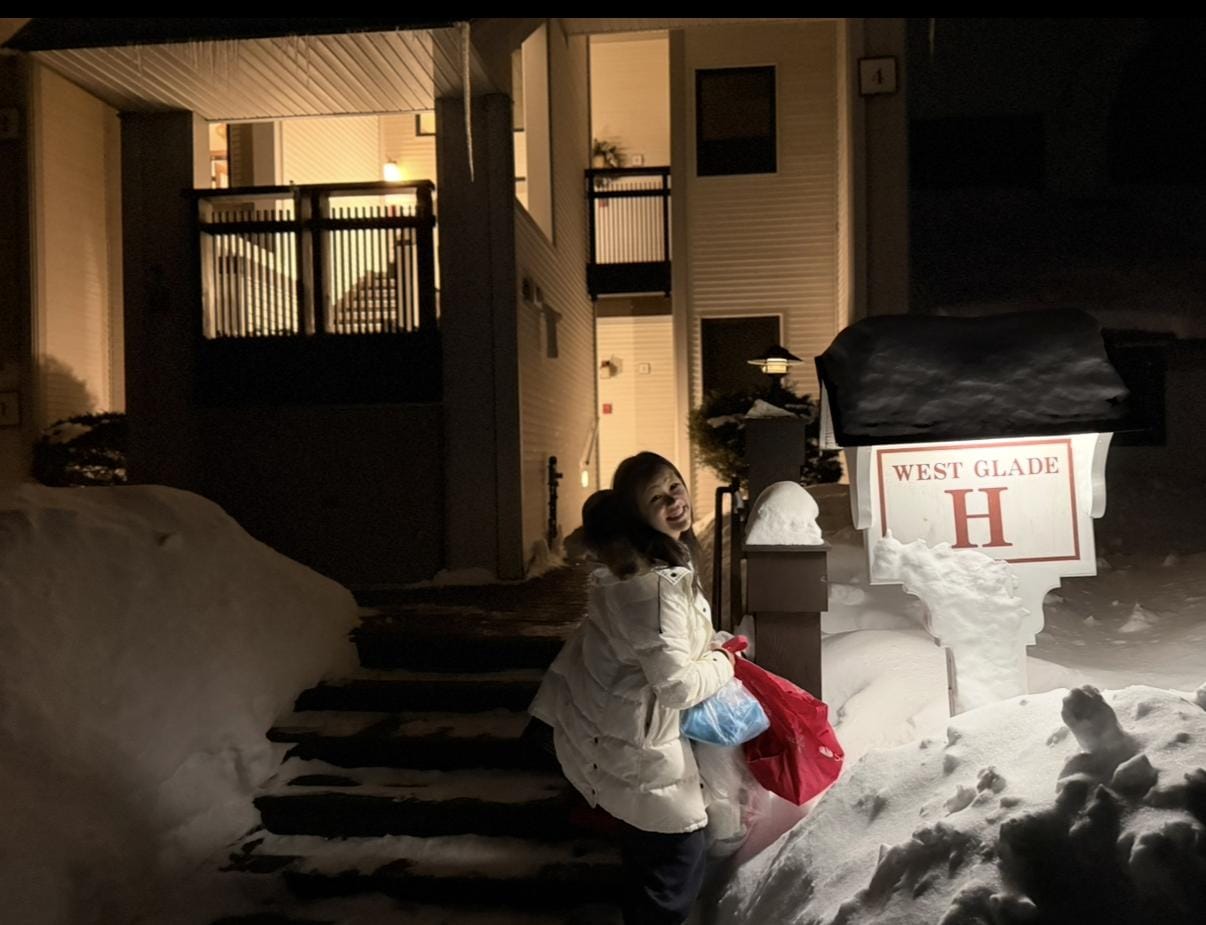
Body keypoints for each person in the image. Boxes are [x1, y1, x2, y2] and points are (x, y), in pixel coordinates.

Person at [529, 452, 736, 925]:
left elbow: (663, 651)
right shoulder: (654, 586)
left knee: (653, 866)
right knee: (675, 863)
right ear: (635, 514)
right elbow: (679, 686)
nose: (674, 500)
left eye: (675, 486)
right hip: (645, 753)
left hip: (631, 743)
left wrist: (710, 645)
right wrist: (725, 661)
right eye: (656, 497)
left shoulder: (648, 569)